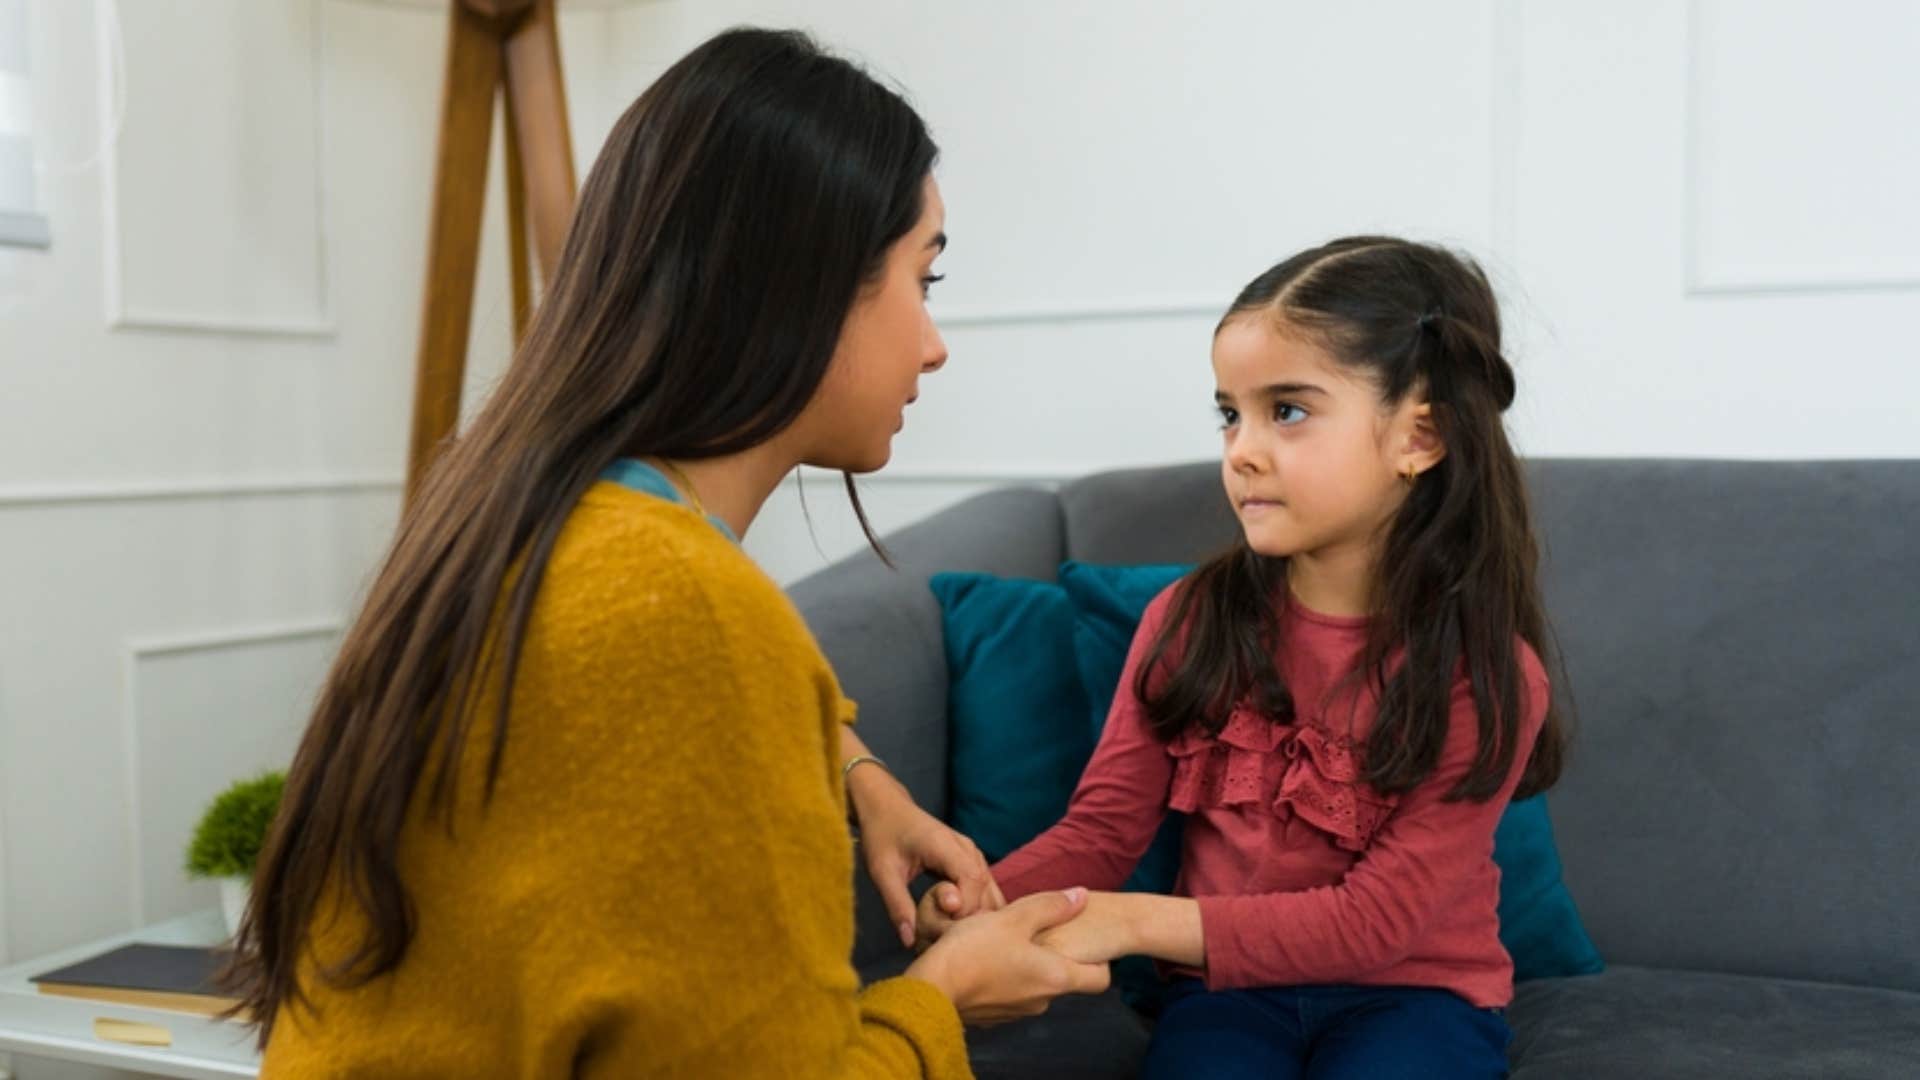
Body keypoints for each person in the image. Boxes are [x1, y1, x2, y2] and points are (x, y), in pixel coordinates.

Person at [232, 27, 1107, 1079]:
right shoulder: (684, 608)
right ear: (808, 283)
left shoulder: (525, 518)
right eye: (925, 278)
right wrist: (941, 1000)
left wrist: (862, 777)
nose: (934, 341)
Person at [919, 236, 1568, 1079]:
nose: (1242, 450)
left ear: (1421, 437)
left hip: (1415, 993)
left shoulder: (1484, 673)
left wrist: (1134, 924)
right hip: (1224, 997)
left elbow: (1377, 922)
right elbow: (1103, 830)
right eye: (1231, 413)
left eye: (1287, 411)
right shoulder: (1188, 621)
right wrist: (987, 899)